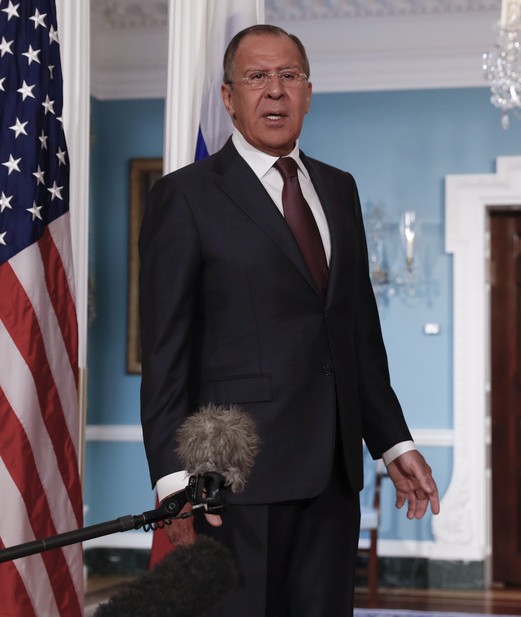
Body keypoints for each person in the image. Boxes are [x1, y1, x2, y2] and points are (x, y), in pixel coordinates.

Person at [139, 24, 440, 617]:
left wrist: (392, 440)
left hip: (333, 475)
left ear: (308, 90)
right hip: (235, 482)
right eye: (256, 77)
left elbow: (356, 333)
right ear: (228, 97)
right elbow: (165, 352)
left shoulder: (338, 188)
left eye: (288, 76)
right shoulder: (187, 196)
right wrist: (173, 479)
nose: (274, 91)